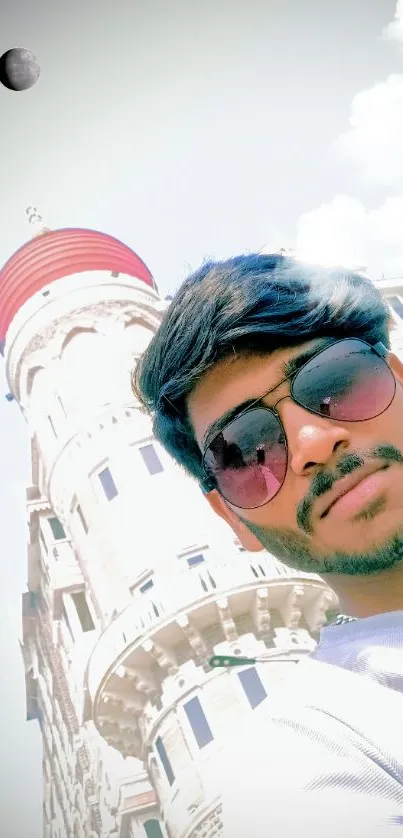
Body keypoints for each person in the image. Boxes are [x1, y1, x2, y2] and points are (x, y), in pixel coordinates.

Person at [133, 253, 403, 834]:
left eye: (333, 384)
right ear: (232, 518)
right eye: (246, 448)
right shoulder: (306, 758)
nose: (312, 441)